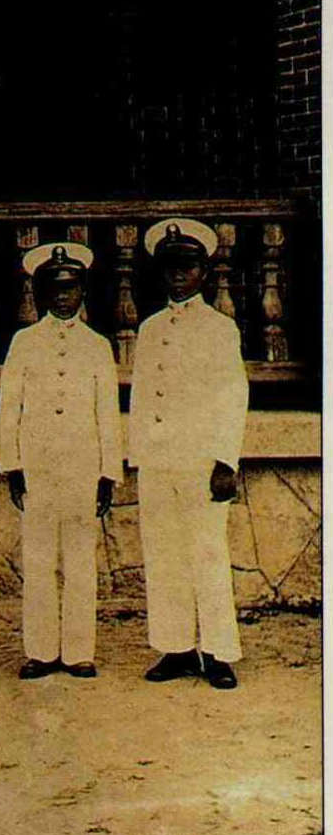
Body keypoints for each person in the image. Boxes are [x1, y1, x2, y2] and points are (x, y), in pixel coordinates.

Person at [131, 218, 249, 690]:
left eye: (187, 265)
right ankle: (176, 647)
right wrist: (139, 456)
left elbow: (233, 396)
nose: (178, 274)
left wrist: (226, 460)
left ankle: (218, 652)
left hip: (201, 461)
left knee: (207, 554)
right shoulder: (149, 328)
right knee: (164, 555)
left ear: (204, 270)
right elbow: (143, 396)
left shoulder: (219, 328)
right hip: (158, 461)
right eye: (170, 266)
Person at [0, 241, 121, 681]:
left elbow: (107, 413)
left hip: (82, 468)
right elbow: (9, 408)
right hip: (38, 468)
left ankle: (79, 651)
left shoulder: (97, 346)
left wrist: (108, 473)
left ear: (83, 290)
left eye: (70, 287)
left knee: (80, 559)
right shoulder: (24, 343)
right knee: (38, 560)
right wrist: (13, 467)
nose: (63, 296)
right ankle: (41, 650)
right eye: (53, 288)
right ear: (39, 294)